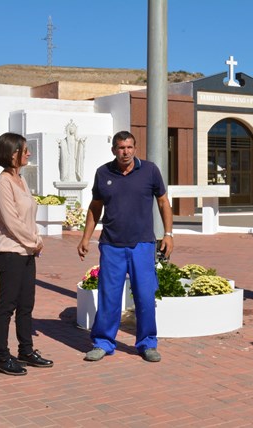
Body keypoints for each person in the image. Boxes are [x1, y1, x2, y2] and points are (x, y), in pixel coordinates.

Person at [78, 131, 174, 363]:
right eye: (121, 148)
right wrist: (85, 237)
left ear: (135, 148)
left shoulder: (150, 170)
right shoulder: (103, 173)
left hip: (142, 244)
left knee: (144, 297)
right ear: (114, 150)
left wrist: (168, 234)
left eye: (129, 147)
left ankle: (147, 343)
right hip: (111, 245)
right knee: (109, 297)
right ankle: (103, 343)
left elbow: (163, 201)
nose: (126, 152)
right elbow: (95, 207)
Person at [0, 132, 53, 376]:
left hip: (26, 251)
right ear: (12, 152)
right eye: (24, 150)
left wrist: (34, 240)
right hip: (10, 252)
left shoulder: (21, 179)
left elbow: (27, 217)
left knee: (26, 305)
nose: (29, 153)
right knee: (7, 306)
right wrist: (35, 241)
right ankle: (0, 357)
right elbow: (11, 221)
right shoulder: (3, 182)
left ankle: (26, 351)